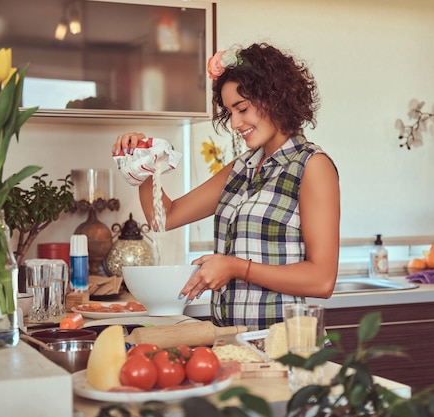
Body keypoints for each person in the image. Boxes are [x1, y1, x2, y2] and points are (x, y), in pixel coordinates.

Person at [112, 43, 340, 330]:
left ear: (276, 98)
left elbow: (322, 280)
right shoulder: (241, 168)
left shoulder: (311, 166)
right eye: (229, 111)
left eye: (242, 108)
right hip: (232, 344)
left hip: (285, 347)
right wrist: (144, 164)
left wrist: (235, 267)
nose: (234, 123)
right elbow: (164, 219)